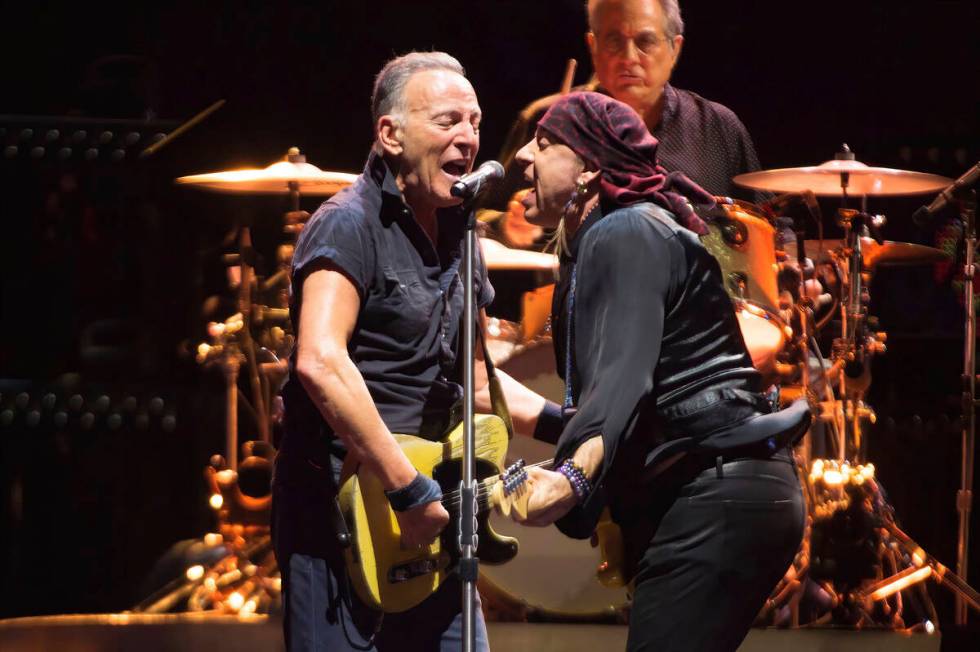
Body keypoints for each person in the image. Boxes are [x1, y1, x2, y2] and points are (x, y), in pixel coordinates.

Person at [508, 91, 808, 652]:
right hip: (716, 488)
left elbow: (625, 381)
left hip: (715, 493)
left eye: (545, 143)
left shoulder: (623, 232)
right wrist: (512, 403)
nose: (522, 156)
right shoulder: (616, 237)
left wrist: (572, 479)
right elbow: (648, 407)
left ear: (591, 169)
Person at [271, 51, 495, 652]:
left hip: (427, 518)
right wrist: (407, 488)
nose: (468, 138)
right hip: (347, 512)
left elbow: (474, 382)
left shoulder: (462, 231)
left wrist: (566, 429)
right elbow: (319, 359)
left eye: (474, 122)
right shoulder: (348, 223)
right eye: (448, 121)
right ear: (390, 134)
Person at [480, 0, 764, 217]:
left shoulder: (718, 127)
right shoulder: (546, 121)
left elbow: (767, 224)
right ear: (593, 46)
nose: (629, 58)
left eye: (645, 42)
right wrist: (507, 225)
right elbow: (484, 217)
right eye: (614, 41)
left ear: (674, 49)